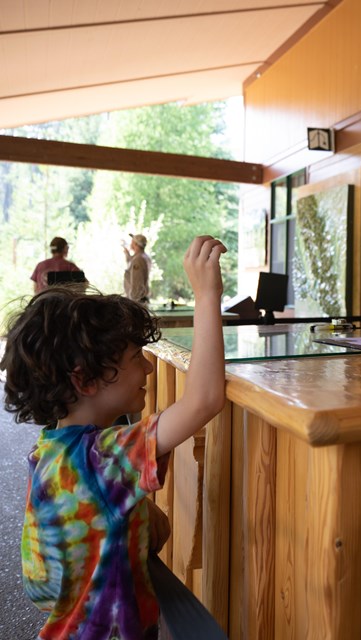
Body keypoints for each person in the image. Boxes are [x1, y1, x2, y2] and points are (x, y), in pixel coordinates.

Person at [1, 235, 227, 639]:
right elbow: (205, 400)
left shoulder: (51, 451)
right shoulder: (102, 457)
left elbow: (46, 583)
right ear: (86, 379)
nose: (149, 370)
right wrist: (207, 294)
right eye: (135, 358)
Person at [123, 233, 152, 304]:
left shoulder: (138, 260)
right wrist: (127, 255)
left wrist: (133, 301)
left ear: (135, 244)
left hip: (137, 301)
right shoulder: (143, 257)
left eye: (132, 241)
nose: (131, 243)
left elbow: (137, 282)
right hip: (140, 300)